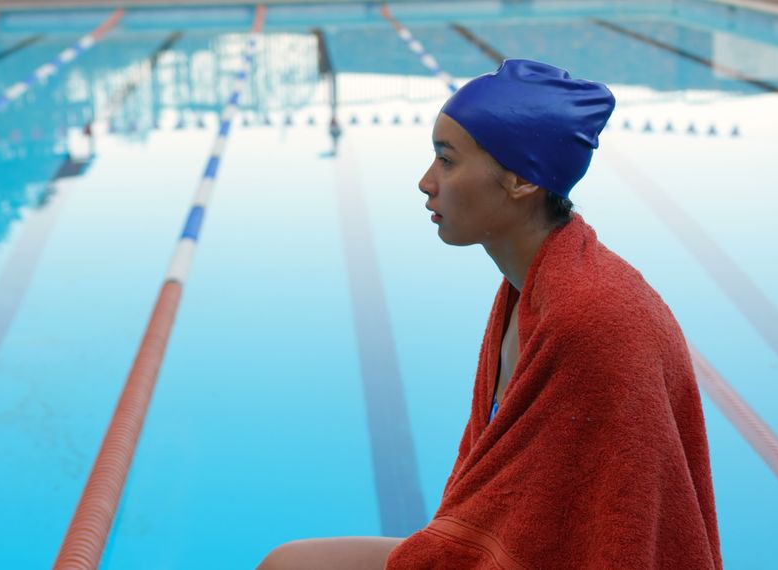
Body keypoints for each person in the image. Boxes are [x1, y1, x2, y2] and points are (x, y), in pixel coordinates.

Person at [258, 59, 721, 569]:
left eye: (447, 160)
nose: (426, 182)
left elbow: (618, 537)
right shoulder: (532, 289)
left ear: (521, 179)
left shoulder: (593, 319)